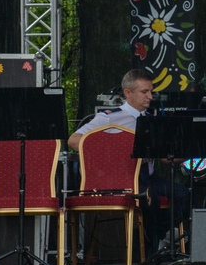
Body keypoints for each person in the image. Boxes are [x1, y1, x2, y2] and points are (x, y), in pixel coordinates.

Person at [69, 68, 190, 255]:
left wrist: (193, 150)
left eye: (151, 91)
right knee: (149, 199)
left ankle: (158, 233)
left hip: (149, 177)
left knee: (185, 195)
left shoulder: (153, 120)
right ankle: (150, 251)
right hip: (122, 179)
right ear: (128, 93)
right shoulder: (109, 117)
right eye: (144, 92)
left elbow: (165, 158)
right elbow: (74, 141)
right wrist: (112, 151)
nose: (150, 96)